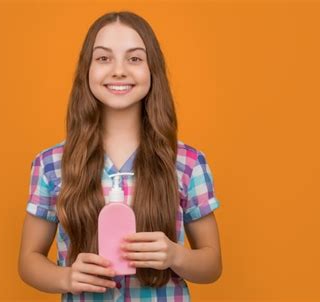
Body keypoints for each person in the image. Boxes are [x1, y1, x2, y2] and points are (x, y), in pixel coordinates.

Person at [18, 11, 222, 301]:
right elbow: (28, 260)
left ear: (153, 71)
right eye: (103, 58)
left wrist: (175, 255)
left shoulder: (188, 163)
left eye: (134, 58)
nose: (119, 70)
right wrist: (66, 277)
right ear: (86, 70)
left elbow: (212, 265)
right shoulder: (50, 165)